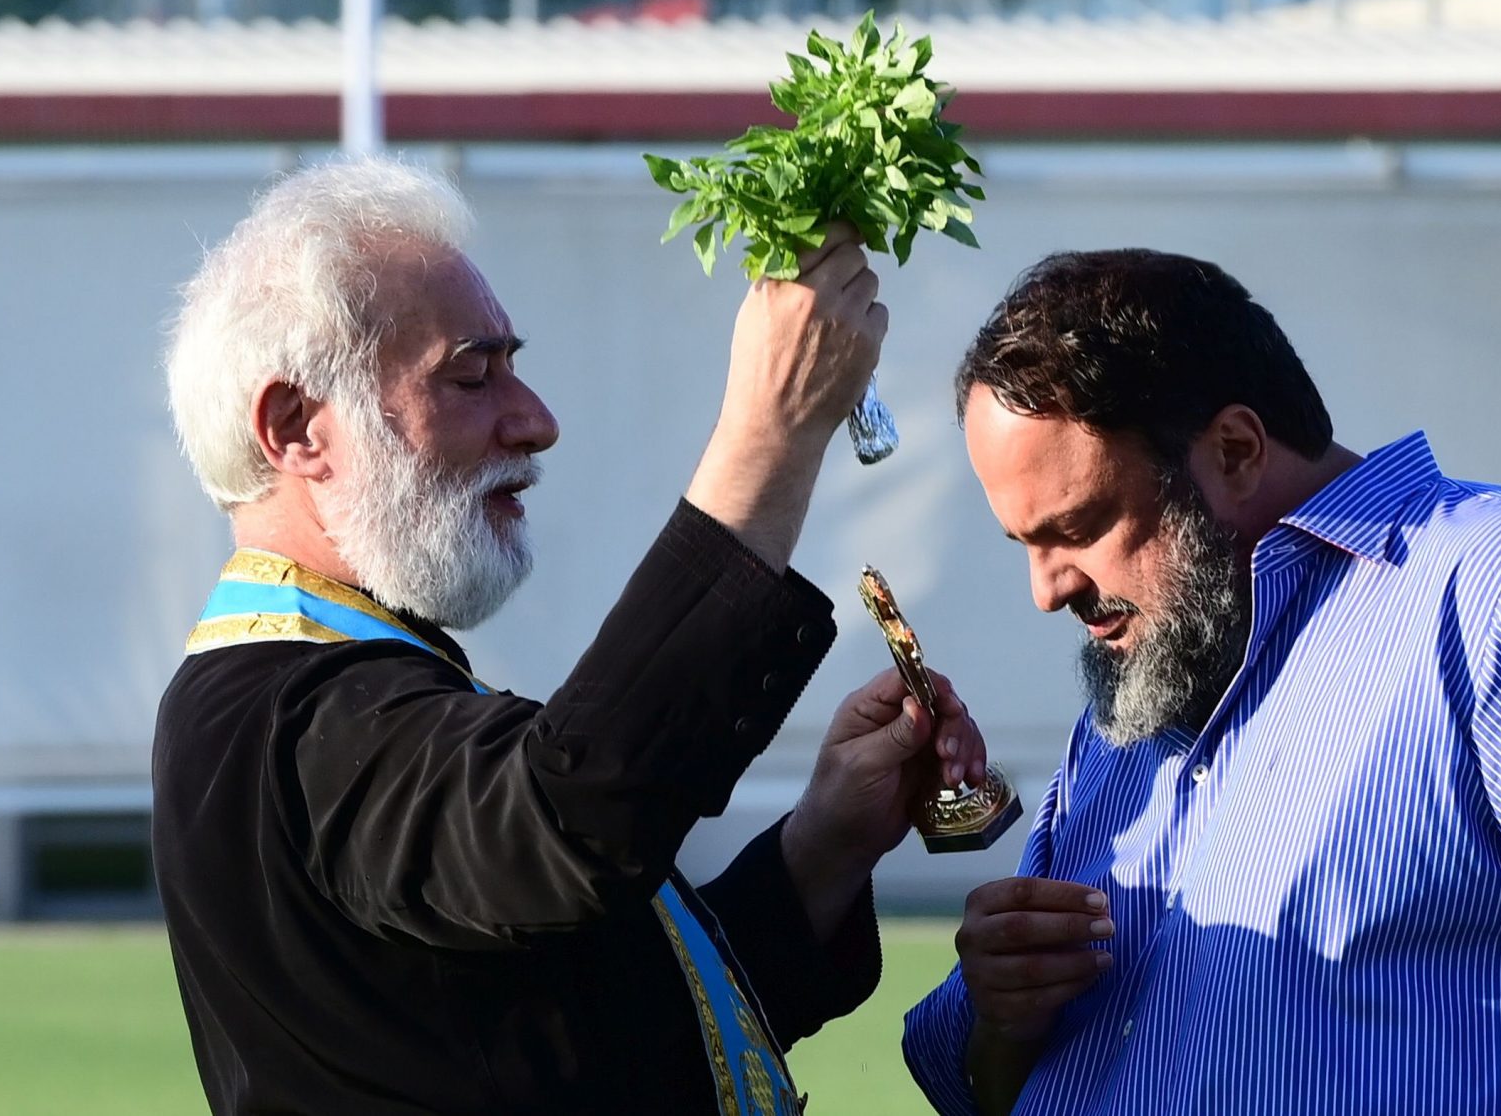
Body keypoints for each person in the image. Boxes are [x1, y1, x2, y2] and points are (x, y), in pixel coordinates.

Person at [903, 250, 1501, 1115]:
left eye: (1078, 526)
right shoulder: (1143, 686)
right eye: (1023, 544)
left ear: (1234, 451)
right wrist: (1002, 1015)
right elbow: (988, 1088)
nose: (1047, 589)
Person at [154, 158, 987, 1115]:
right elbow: (573, 818)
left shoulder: (325, 690)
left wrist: (826, 844)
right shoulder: (284, 713)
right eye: (473, 376)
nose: (535, 422)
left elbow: (603, 1030)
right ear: (298, 427)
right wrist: (770, 436)